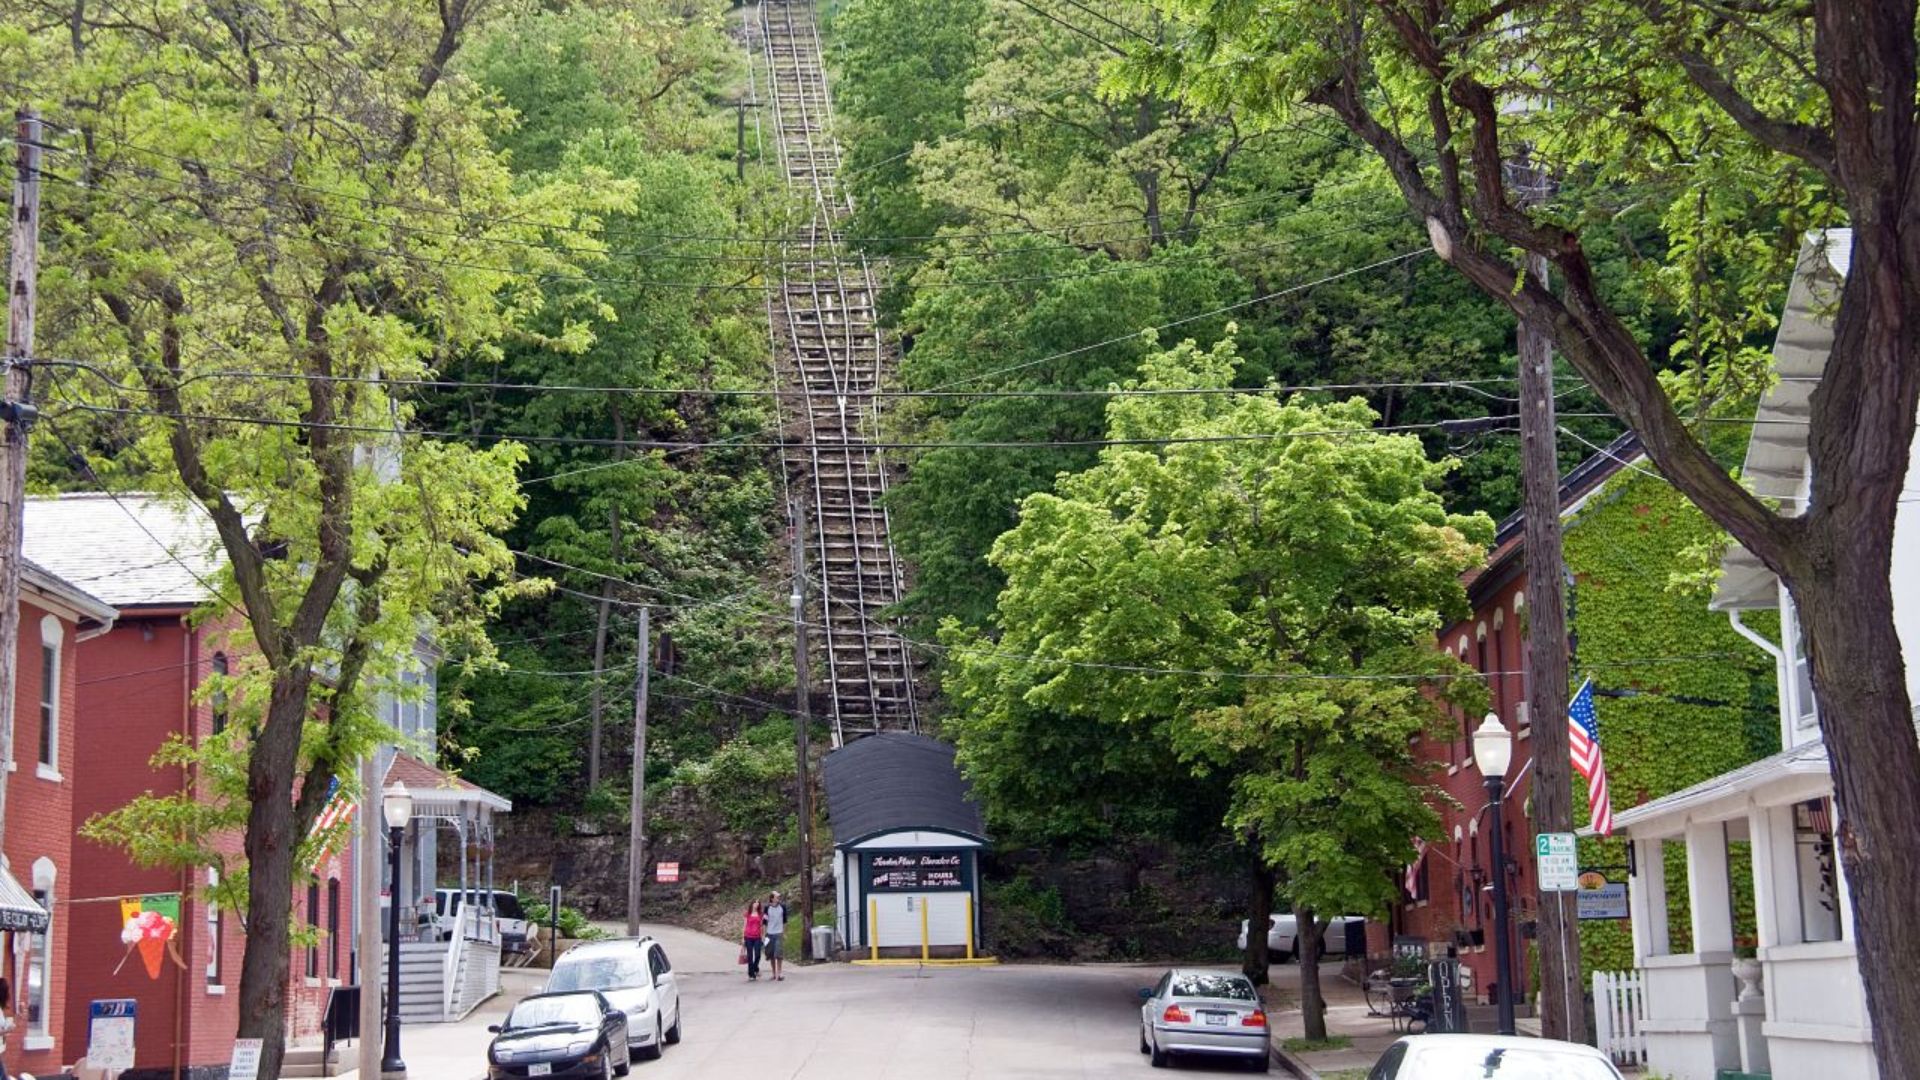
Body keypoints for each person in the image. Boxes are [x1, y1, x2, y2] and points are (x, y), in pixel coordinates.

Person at [764, 891, 788, 981]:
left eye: (779, 897)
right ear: (772, 898)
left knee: (779, 954)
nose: (779, 898)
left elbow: (785, 921)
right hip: (769, 934)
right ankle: (774, 973)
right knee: (771, 955)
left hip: (779, 933)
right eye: (777, 897)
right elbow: (764, 922)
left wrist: (785, 933)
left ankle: (780, 974)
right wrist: (764, 934)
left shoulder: (783, 907)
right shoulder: (767, 908)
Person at [742, 900, 765, 981]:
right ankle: (751, 974)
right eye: (755, 902)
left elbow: (762, 926)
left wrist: (763, 936)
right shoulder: (747, 914)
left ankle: (755, 968)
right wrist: (743, 938)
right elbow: (744, 926)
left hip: (757, 937)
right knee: (750, 956)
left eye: (758, 902)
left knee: (758, 954)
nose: (757, 904)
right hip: (748, 937)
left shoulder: (760, 914)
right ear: (752, 904)